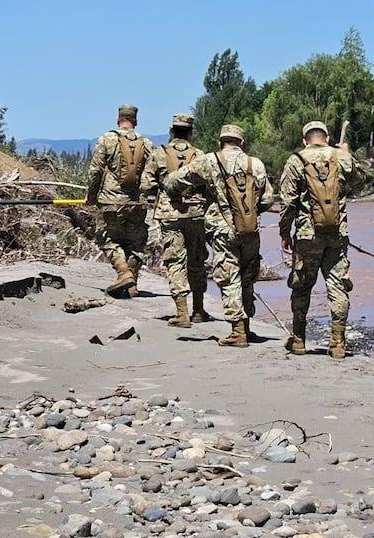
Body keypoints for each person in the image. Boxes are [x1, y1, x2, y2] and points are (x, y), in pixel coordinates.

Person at [164, 124, 273, 347]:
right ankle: (248, 326)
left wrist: (174, 193)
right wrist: (250, 213)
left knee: (228, 277)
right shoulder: (256, 164)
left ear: (220, 142)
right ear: (242, 143)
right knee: (247, 278)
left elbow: (175, 181)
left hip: (223, 230)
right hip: (251, 230)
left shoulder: (210, 161)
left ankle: (237, 330)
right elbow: (268, 199)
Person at [279, 121, 362, 359]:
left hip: (307, 235)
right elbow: (360, 183)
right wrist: (346, 153)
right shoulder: (341, 157)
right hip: (337, 233)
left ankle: (298, 340)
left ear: (305, 140)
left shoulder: (296, 159)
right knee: (338, 286)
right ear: (326, 137)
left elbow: (288, 202)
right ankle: (337, 343)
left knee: (301, 285)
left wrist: (285, 231)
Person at [140, 113, 210, 327]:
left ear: (172, 131)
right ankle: (199, 309)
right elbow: (209, 185)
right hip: (195, 214)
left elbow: (146, 184)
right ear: (190, 132)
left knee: (175, 261)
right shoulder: (200, 155)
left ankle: (182, 312)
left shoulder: (159, 154)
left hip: (169, 215)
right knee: (197, 261)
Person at [86, 104, 154, 298]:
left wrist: (91, 196)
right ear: (135, 121)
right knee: (135, 242)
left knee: (107, 238)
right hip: (137, 203)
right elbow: (152, 173)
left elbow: (95, 171)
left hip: (110, 201)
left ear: (118, 120)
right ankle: (132, 285)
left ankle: (124, 274)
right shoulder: (147, 144)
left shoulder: (107, 139)